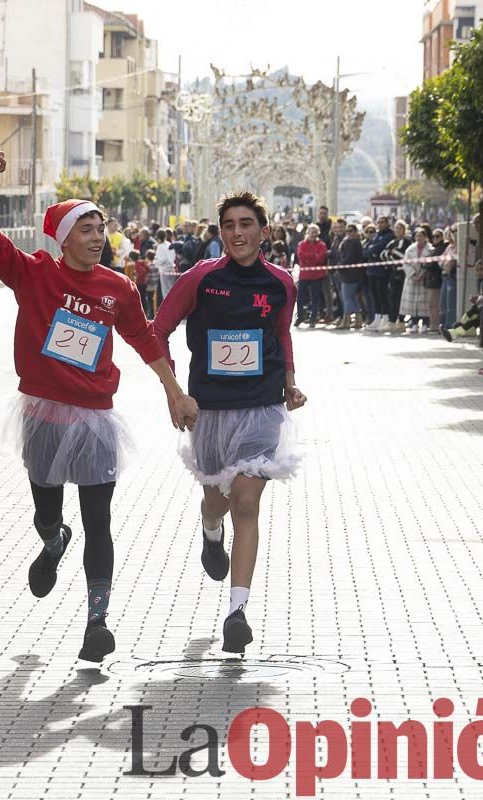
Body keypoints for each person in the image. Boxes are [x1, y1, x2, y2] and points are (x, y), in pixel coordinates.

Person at [0, 150, 198, 663]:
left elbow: (144, 339)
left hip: (95, 418)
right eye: (87, 228)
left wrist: (174, 392)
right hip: (44, 413)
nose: (98, 237)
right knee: (47, 512)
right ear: (63, 237)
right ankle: (52, 541)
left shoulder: (117, 288)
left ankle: (98, 622)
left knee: (100, 519)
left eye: (102, 228)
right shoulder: (34, 274)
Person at [152, 190, 307, 655]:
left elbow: (280, 334)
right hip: (211, 412)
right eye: (229, 226)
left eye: (246, 224)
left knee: (245, 500)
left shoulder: (281, 282)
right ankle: (209, 530)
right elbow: (156, 330)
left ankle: (237, 611)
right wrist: (174, 393)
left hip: (261, 408)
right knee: (218, 502)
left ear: (263, 230)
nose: (237, 233)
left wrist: (291, 383)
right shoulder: (200, 278)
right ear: (220, 233)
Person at [400, 227, 437, 333]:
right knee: (413, 302)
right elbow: (405, 263)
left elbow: (430, 264)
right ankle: (414, 322)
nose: (419, 238)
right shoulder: (410, 249)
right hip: (412, 279)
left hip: (424, 279)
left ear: (425, 237)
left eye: (421, 236)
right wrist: (412, 274)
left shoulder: (431, 249)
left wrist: (422, 274)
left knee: (424, 302)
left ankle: (425, 322)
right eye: (417, 236)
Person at [295, 224, 328, 326]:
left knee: (315, 298)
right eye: (311, 232)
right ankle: (300, 317)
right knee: (300, 298)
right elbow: (300, 255)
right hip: (304, 275)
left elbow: (321, 258)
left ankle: (313, 318)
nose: (313, 234)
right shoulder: (301, 244)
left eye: (315, 232)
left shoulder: (322, 245)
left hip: (316, 275)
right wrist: (314, 256)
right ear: (308, 233)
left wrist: (309, 258)